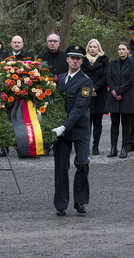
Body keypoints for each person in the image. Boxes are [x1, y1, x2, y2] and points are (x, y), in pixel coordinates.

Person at [52, 45, 93, 216]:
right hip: (62, 130)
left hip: (79, 128)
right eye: (72, 58)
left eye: (78, 58)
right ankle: (61, 203)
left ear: (82, 61)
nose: (75, 61)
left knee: (82, 163)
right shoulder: (60, 79)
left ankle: (80, 200)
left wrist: (64, 126)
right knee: (61, 167)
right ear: (67, 59)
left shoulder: (86, 81)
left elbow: (79, 108)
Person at [37, 33, 68, 156]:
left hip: (61, 93)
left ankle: (58, 144)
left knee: (59, 119)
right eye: (50, 41)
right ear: (47, 43)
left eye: (55, 41)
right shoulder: (41, 57)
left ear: (59, 43)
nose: (52, 43)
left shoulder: (65, 57)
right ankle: (46, 144)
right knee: (45, 120)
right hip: (45, 94)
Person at [105, 42, 134, 159]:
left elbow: (132, 80)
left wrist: (119, 91)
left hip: (126, 96)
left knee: (126, 124)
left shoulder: (133, 63)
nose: (121, 51)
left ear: (128, 50)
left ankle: (124, 148)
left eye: (123, 49)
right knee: (114, 123)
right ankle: (113, 148)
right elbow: (109, 78)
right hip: (114, 97)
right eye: (119, 49)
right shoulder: (113, 63)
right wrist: (114, 91)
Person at [81, 39, 109, 155]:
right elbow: (81, 75)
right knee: (87, 121)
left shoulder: (104, 59)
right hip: (86, 92)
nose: (92, 49)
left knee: (98, 121)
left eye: (95, 47)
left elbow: (107, 75)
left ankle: (96, 146)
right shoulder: (83, 60)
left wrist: (95, 88)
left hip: (100, 93)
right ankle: (85, 145)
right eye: (91, 47)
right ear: (88, 48)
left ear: (99, 48)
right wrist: (90, 88)